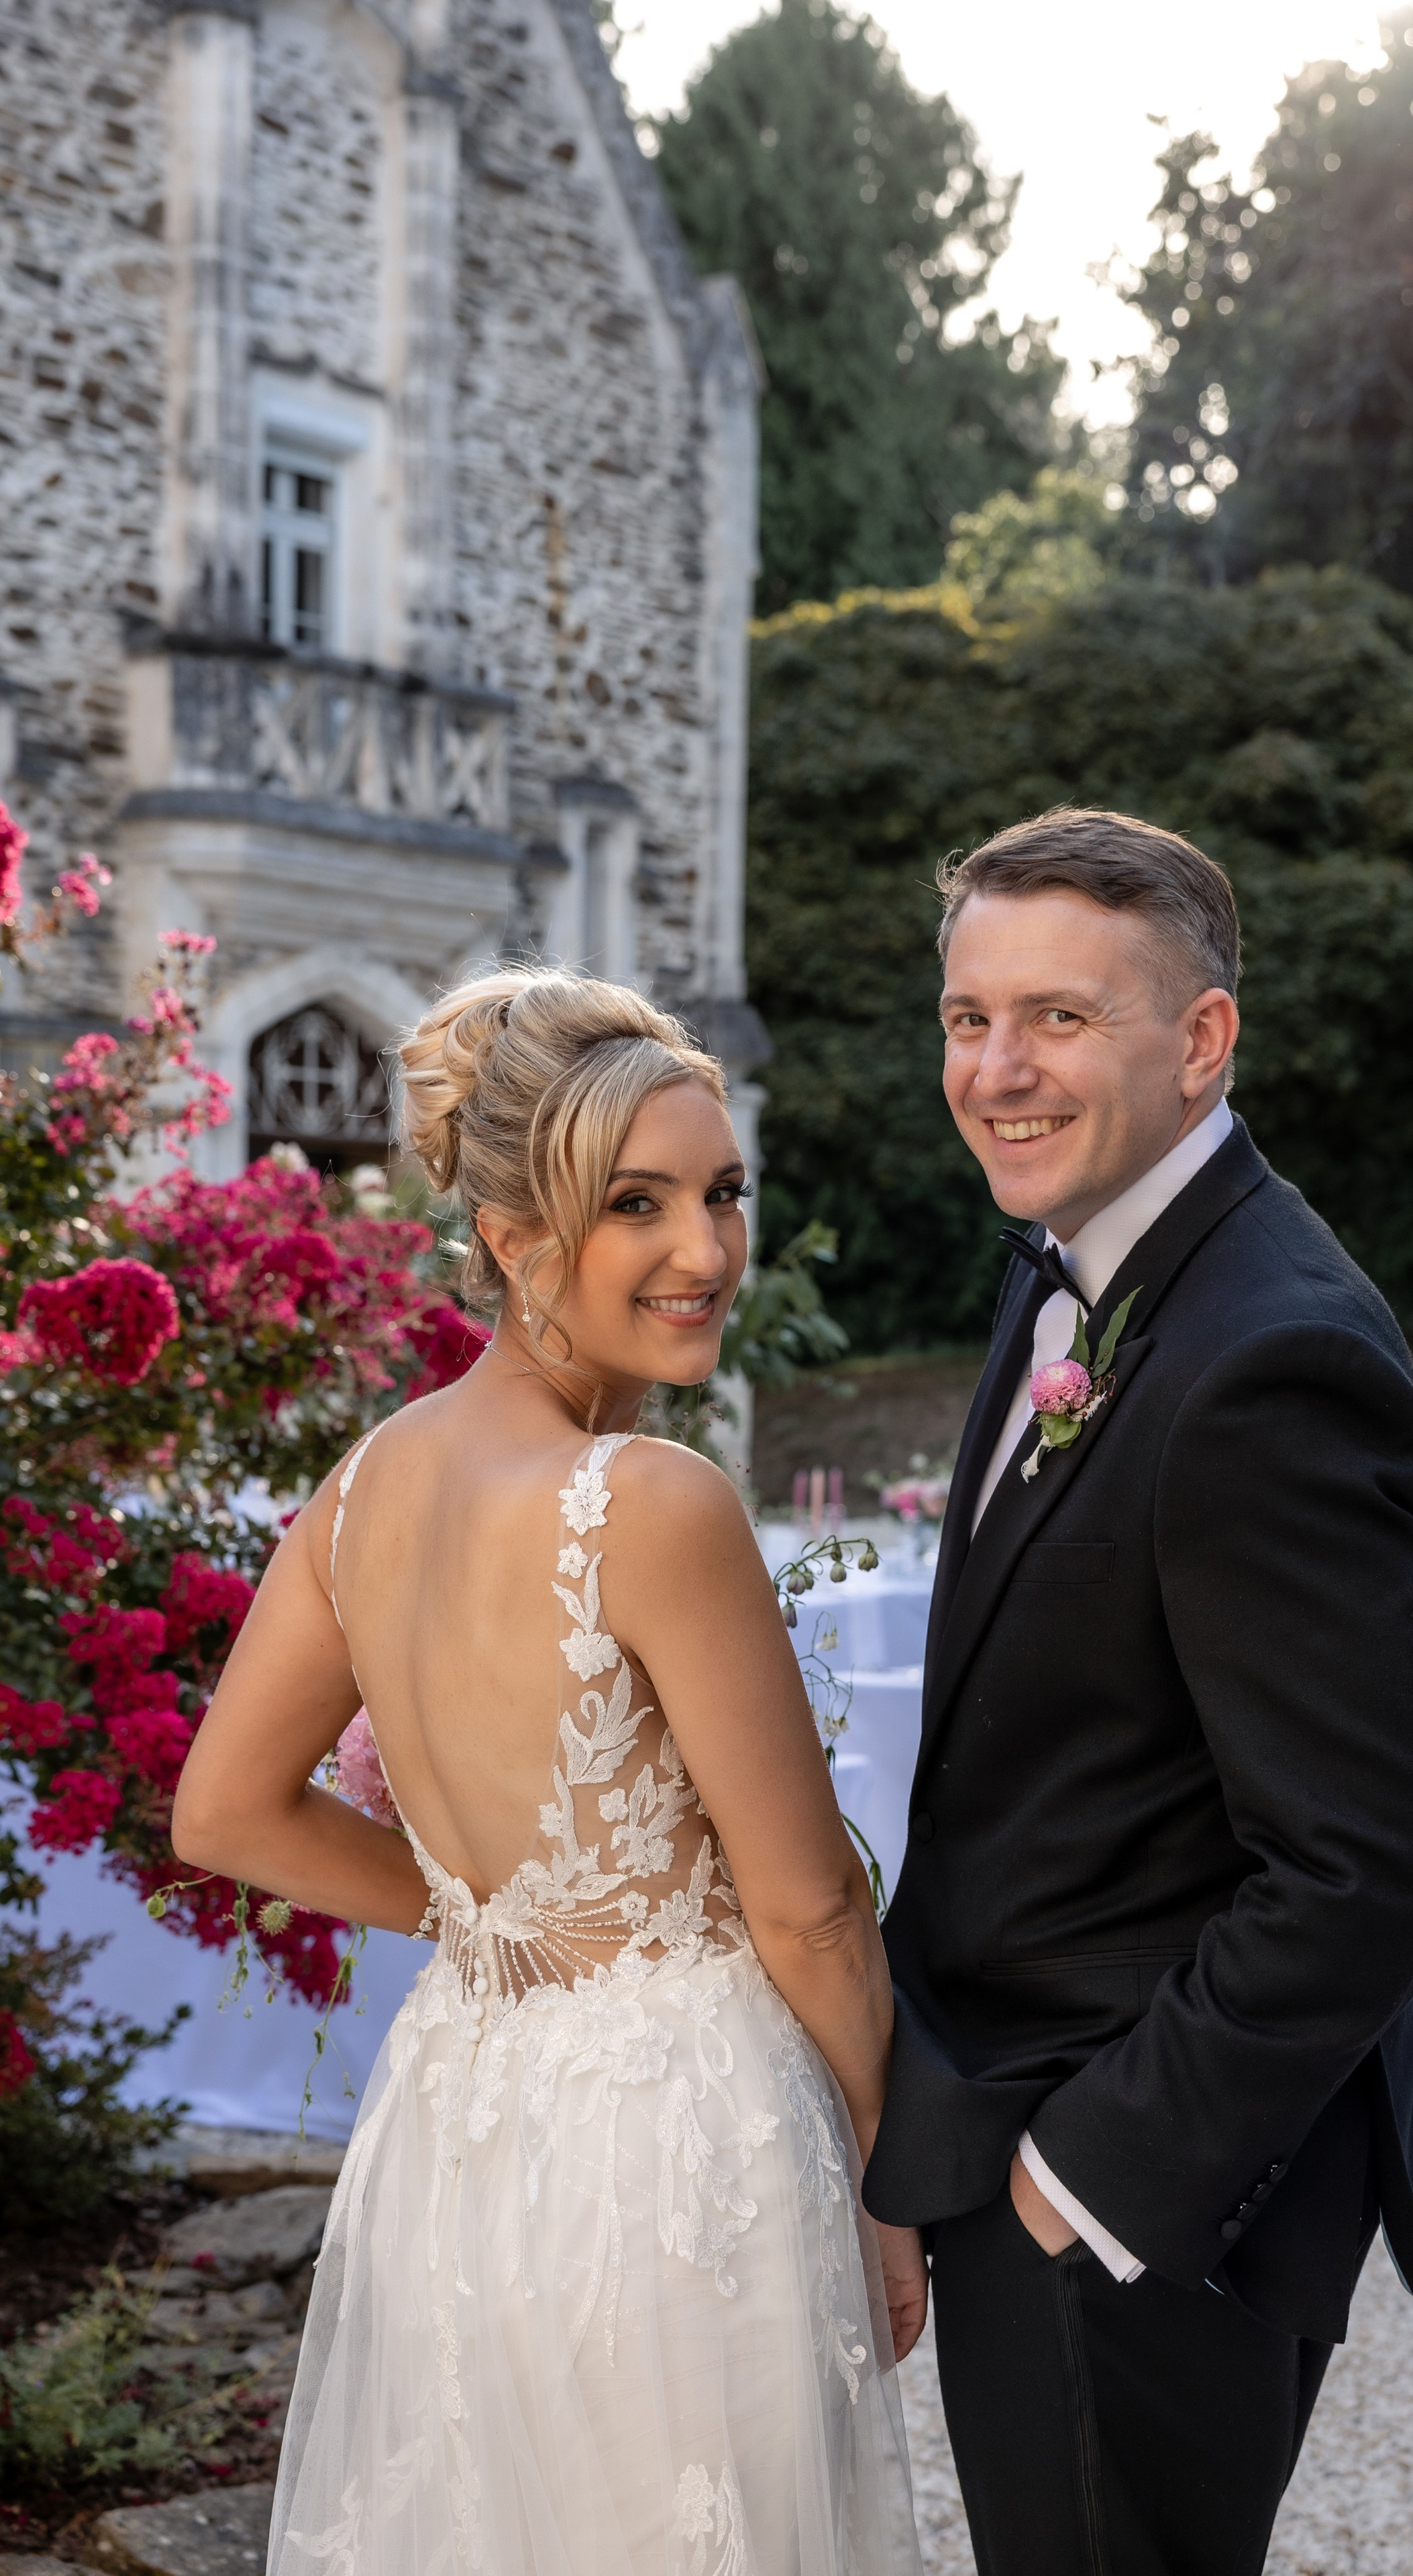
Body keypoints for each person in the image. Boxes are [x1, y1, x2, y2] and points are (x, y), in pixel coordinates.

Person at [174, 969, 926, 2576]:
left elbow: (224, 1809)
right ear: (512, 1240)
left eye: (721, 1193)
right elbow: (806, 1912)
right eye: (634, 1206)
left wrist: (486, 1926)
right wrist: (891, 2164)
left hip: (470, 2118)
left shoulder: (363, 1487)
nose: (706, 1252)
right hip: (685, 2140)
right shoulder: (652, 1502)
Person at [863, 809, 1413, 2576]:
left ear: (1200, 1044)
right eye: (969, 1017)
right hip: (1011, 2126)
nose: (996, 1068)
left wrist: (1088, 2184)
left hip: (1140, 2200)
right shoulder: (1080, 1259)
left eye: (1057, 1017)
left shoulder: (1271, 1354)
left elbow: (1365, 1867)